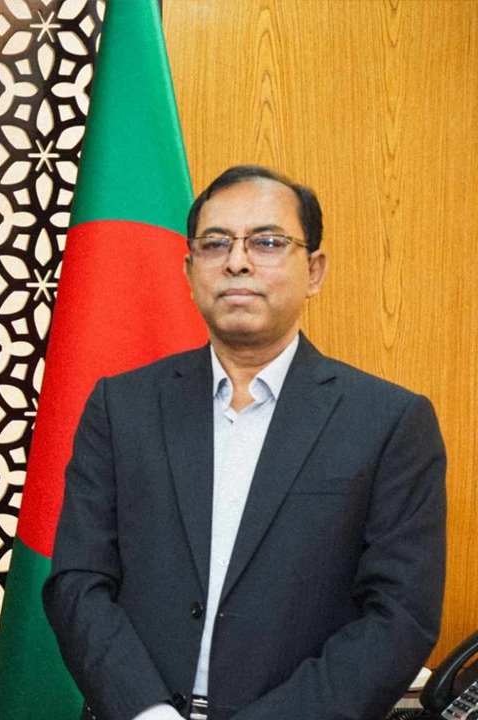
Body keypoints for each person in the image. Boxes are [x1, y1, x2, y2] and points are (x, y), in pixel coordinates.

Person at [43, 165, 446, 720]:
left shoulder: (389, 421)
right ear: (189, 271)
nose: (237, 261)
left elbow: (399, 616)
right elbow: (78, 580)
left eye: (268, 242)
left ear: (314, 271)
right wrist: (146, 711)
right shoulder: (122, 406)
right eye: (215, 244)